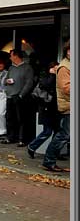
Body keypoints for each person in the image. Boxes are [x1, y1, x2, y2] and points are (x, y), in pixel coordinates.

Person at [41, 41, 71, 172]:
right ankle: (49, 160)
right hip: (69, 106)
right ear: (68, 51)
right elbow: (66, 88)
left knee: (64, 134)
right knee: (63, 134)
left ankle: (49, 160)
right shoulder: (64, 67)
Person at [1, 49, 34, 147]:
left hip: (20, 96)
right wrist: (7, 81)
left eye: (11, 56)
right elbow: (5, 80)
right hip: (10, 95)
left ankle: (22, 139)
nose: (10, 58)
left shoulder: (27, 68)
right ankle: (10, 137)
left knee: (21, 118)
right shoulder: (11, 68)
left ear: (16, 56)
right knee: (9, 117)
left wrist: (21, 94)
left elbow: (29, 83)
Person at [27, 62, 59, 159]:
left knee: (58, 132)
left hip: (55, 108)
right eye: (54, 67)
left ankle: (54, 152)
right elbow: (47, 85)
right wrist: (53, 75)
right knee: (47, 131)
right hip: (46, 108)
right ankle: (32, 146)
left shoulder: (58, 77)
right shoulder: (45, 77)